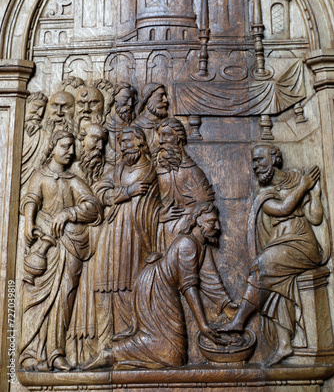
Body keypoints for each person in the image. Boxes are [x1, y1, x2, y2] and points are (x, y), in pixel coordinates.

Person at [83, 202, 236, 370]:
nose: (218, 226)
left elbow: (211, 280)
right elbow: (189, 287)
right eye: (212, 221)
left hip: (162, 286)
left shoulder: (202, 246)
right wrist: (203, 324)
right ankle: (112, 353)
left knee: (173, 356)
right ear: (198, 221)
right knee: (170, 353)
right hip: (155, 287)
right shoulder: (187, 244)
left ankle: (116, 354)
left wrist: (228, 307)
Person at [220, 144, 327, 365]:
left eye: (260, 160)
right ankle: (285, 344)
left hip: (303, 245)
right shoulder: (265, 195)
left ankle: (240, 319)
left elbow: (315, 218)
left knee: (262, 265)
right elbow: (283, 209)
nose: (256, 166)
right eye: (254, 162)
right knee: (275, 282)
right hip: (282, 246)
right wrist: (304, 187)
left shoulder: (297, 178)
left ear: (275, 158)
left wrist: (314, 194)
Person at [19, 131, 102, 371]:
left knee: (63, 299)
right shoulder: (40, 175)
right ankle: (30, 355)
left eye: (72, 147)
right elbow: (31, 199)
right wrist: (29, 221)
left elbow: (94, 207)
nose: (71, 152)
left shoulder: (73, 180)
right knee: (36, 299)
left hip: (69, 251)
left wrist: (69, 213)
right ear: (52, 147)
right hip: (45, 249)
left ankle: (56, 353)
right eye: (65, 146)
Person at [92, 126, 161, 335]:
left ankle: (130, 337)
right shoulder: (119, 169)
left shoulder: (149, 170)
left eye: (127, 142)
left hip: (135, 235)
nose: (123, 147)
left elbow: (153, 207)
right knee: (105, 287)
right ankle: (105, 341)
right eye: (121, 143)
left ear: (140, 142)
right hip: (111, 234)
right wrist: (126, 192)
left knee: (129, 286)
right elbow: (99, 191)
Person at [154, 117, 214, 250]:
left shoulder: (193, 171)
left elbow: (207, 206)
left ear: (179, 138)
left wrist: (190, 216)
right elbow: (147, 203)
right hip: (162, 232)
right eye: (160, 136)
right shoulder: (156, 171)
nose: (161, 141)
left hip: (187, 233)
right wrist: (157, 215)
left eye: (167, 135)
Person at [21, 92, 48, 192]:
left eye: (43, 110)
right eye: (36, 107)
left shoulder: (45, 136)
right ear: (25, 104)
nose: (40, 114)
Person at [104, 82, 138, 163]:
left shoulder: (132, 119)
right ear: (115, 98)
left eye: (132, 100)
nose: (130, 104)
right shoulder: (108, 122)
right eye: (126, 99)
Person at [132, 83, 168, 152]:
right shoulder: (136, 127)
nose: (165, 100)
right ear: (147, 99)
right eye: (160, 96)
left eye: (165, 96)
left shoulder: (167, 126)